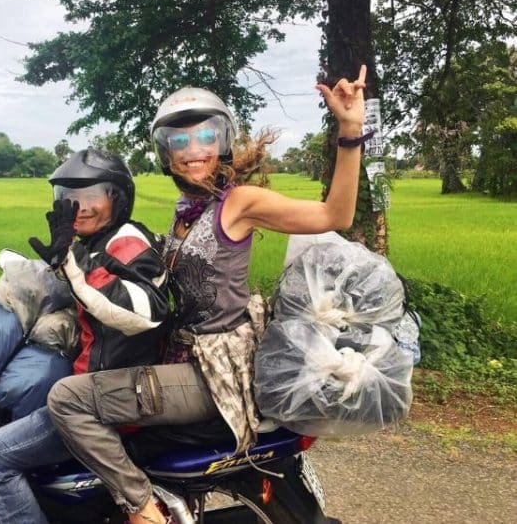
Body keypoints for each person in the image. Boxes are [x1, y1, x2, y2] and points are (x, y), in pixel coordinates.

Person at [46, 66, 369, 524]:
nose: (193, 151)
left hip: (216, 370)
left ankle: (141, 507)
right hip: (180, 355)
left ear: (223, 142)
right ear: (166, 152)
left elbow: (336, 213)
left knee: (68, 398)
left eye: (205, 137)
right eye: (179, 141)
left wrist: (350, 130)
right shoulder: (184, 211)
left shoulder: (238, 203)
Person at [0, 148, 169, 523]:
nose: (82, 207)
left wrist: (71, 265)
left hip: (110, 397)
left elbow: (143, 311)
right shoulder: (96, 242)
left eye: (94, 196)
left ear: (118, 199)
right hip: (103, 384)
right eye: (70, 198)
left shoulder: (126, 242)